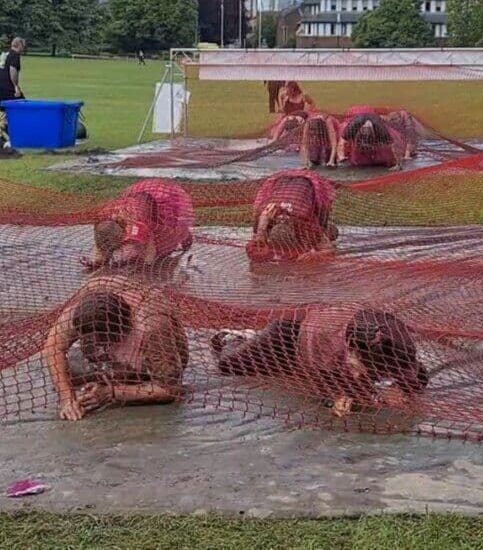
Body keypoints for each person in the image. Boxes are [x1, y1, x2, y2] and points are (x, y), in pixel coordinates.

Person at [210, 304, 429, 418]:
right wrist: (339, 397)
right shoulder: (324, 338)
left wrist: (399, 389)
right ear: (350, 348)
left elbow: (418, 376)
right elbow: (319, 382)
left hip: (337, 349)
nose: (355, 372)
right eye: (355, 363)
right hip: (289, 339)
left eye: (365, 369)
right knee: (228, 365)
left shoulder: (397, 346)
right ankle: (237, 337)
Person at [43, 275, 190, 421]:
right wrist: (67, 398)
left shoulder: (152, 327)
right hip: (116, 346)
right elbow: (53, 347)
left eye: (105, 339)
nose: (101, 344)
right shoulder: (83, 310)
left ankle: (128, 377)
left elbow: (171, 390)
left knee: (137, 378)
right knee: (71, 372)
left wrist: (112, 392)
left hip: (152, 355)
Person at [82, 179, 194, 276]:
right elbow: (102, 247)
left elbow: (150, 247)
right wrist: (96, 262)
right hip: (137, 204)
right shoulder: (102, 223)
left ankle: (187, 236)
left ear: (125, 235)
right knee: (132, 246)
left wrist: (146, 266)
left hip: (160, 202)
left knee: (170, 234)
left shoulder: (137, 225)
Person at [246, 170, 338, 264]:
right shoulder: (264, 218)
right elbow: (261, 225)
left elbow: (329, 248)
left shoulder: (306, 224)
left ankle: (326, 231)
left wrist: (314, 255)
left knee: (325, 231)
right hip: (284, 185)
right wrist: (260, 236)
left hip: (308, 185)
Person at [334, 109, 405, 170]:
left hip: (374, 122)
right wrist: (341, 158)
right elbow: (341, 142)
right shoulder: (352, 127)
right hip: (360, 119)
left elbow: (393, 146)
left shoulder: (381, 130)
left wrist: (398, 164)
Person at [0, 37, 26, 144]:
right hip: (6, 84)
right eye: (23, 46)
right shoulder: (15, 55)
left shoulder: (5, 54)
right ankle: (7, 129)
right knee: (21, 103)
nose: (23, 49)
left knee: (4, 108)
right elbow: (13, 70)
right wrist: (16, 86)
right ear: (19, 46)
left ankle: (0, 135)